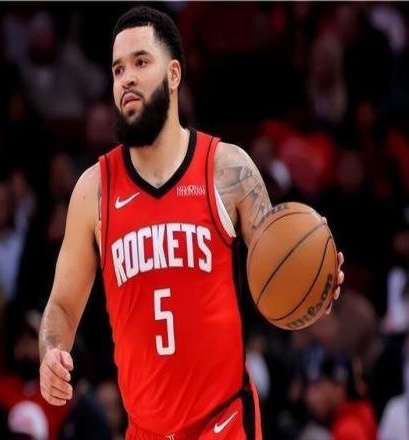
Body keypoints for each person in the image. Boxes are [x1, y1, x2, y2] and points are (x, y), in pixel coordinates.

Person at [39, 6, 345, 439]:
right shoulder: (94, 190)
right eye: (118, 69)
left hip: (224, 422)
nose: (126, 78)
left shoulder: (227, 169)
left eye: (141, 62)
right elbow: (62, 307)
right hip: (145, 430)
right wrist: (52, 352)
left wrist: (314, 281)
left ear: (174, 74)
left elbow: (279, 264)